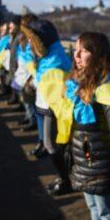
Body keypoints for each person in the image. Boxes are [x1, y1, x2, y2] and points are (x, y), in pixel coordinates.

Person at [55, 32, 110, 220]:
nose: (75, 56)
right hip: (84, 160)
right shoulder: (77, 81)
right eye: (75, 50)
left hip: (101, 162)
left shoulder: (108, 86)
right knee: (93, 207)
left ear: (97, 54)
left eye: (82, 51)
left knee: (106, 213)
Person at [21, 19, 73, 194]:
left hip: (52, 106)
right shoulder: (49, 55)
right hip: (46, 104)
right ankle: (64, 177)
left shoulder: (55, 60)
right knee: (51, 144)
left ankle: (66, 180)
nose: (30, 43)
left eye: (32, 39)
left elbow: (50, 85)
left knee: (52, 144)